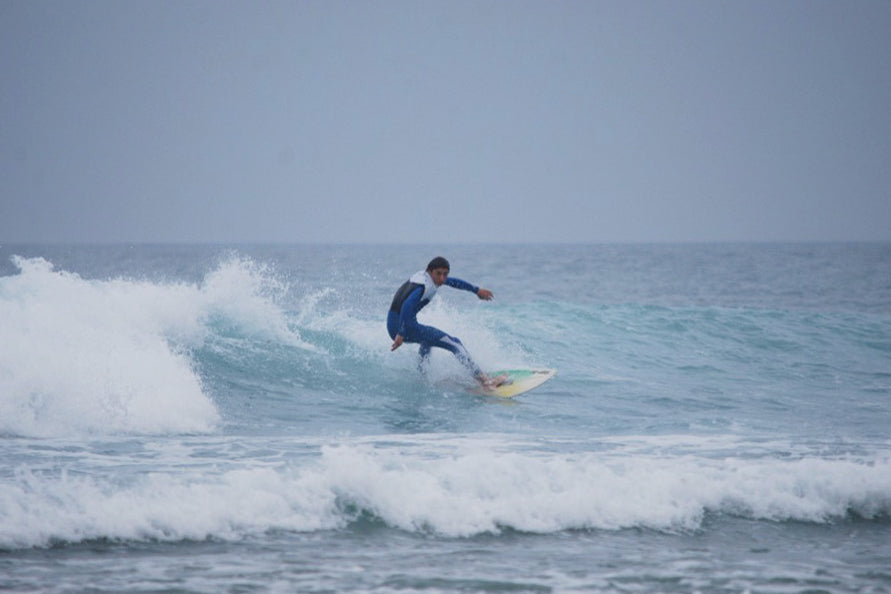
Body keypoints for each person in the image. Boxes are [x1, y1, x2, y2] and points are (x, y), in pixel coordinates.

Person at [388, 257, 505, 389]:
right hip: (403, 326)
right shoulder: (424, 286)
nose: (442, 279)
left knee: (428, 339)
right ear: (430, 271)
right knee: (454, 342)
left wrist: (477, 290)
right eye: (439, 273)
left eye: (445, 274)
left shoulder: (424, 277)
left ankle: (422, 377)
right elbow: (406, 307)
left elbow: (454, 282)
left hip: (394, 324)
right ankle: (485, 381)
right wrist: (401, 333)